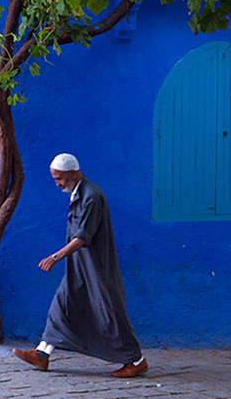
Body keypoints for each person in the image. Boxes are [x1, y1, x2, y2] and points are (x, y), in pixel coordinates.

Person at [12, 153, 148, 378]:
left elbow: (83, 237)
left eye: (59, 178)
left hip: (96, 266)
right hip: (79, 265)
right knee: (62, 303)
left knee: (108, 311)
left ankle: (136, 360)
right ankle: (42, 354)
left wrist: (56, 257)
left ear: (73, 174)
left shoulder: (92, 196)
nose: (57, 184)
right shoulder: (77, 193)